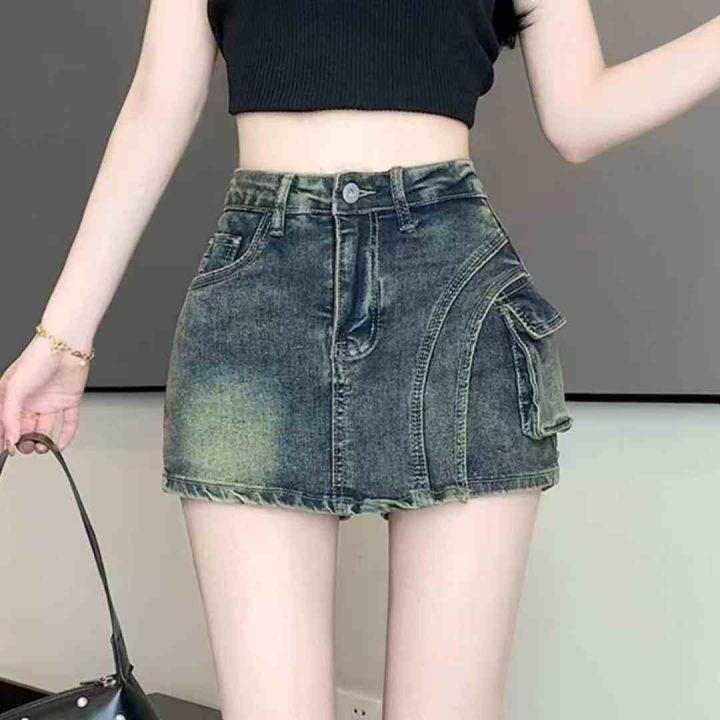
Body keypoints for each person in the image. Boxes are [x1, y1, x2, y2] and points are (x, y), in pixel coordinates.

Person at [1, 1, 719, 718]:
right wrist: (62, 340)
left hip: (453, 295)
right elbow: (157, 104)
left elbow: (581, 115)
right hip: (259, 301)